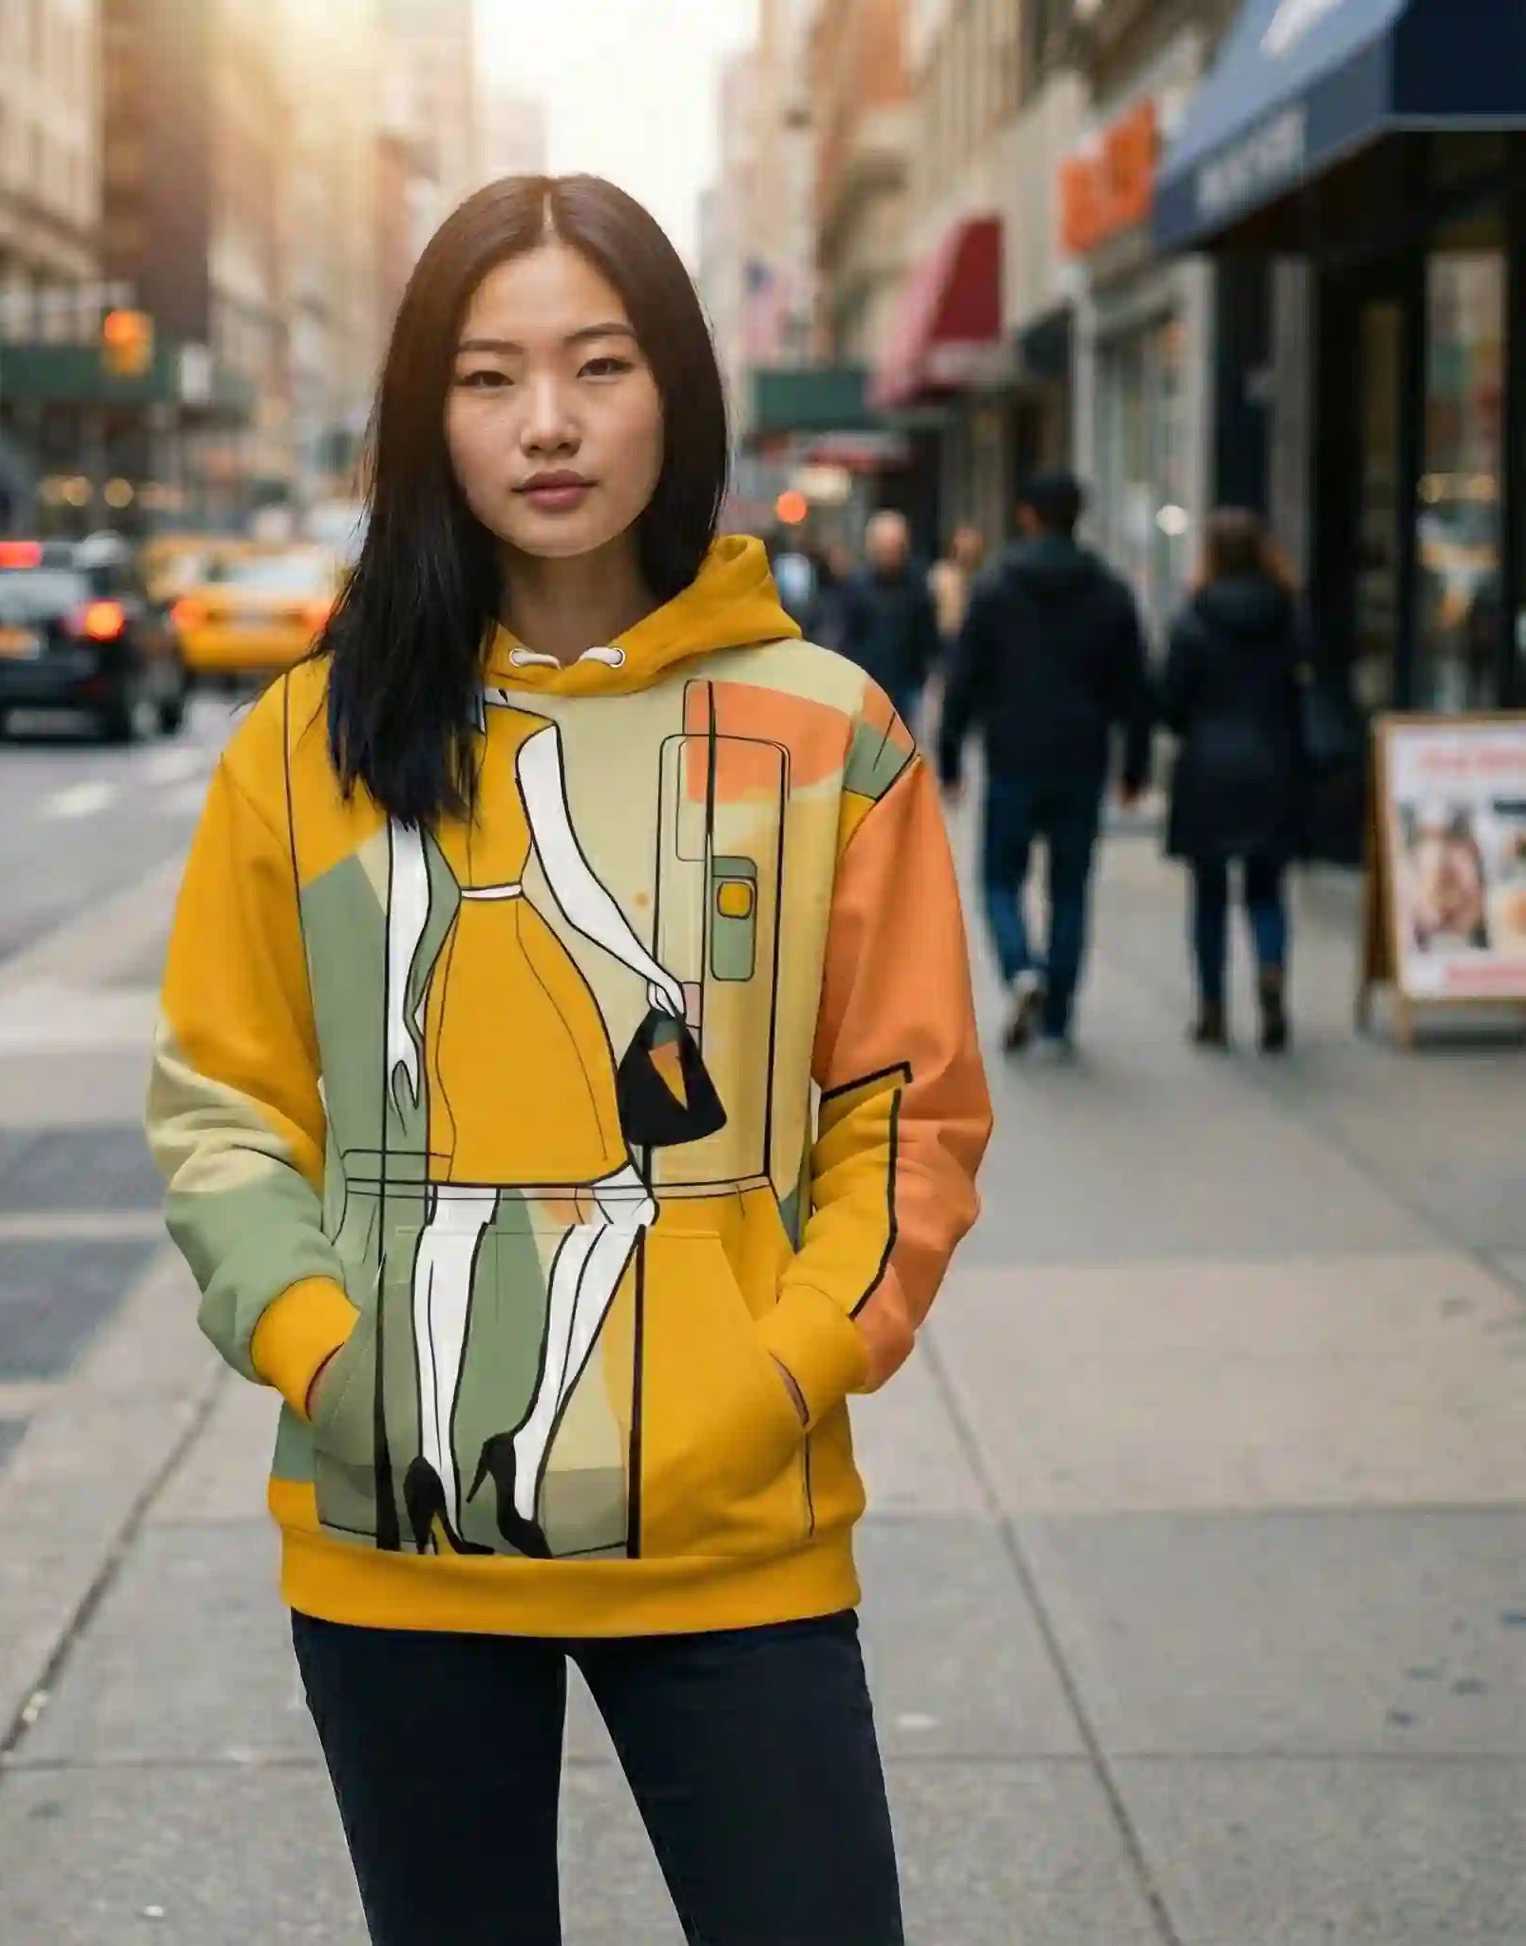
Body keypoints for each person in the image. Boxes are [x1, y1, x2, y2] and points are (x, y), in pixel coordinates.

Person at [150, 173, 991, 1946]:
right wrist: (326, 1355)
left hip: (735, 1528)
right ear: (424, 415)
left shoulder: (825, 725)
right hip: (398, 1532)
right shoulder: (303, 745)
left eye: (597, 365)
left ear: (675, 390)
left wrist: (780, 1373)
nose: (546, 422)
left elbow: (903, 1120)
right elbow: (227, 1110)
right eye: (487, 376)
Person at [938, 470, 1152, 1055]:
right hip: (1082, 759)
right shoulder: (1109, 591)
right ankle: (1058, 1019)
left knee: (999, 879)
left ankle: (1020, 969)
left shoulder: (996, 588)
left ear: (1028, 515)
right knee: (1070, 890)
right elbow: (1134, 687)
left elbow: (964, 678)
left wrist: (951, 755)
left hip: (1011, 754)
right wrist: (1136, 768)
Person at [1161, 508, 1310, 1052]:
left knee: (1209, 895)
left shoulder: (1194, 619)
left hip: (1208, 768)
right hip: (1272, 762)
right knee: (1267, 890)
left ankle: (1213, 1008)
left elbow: (1171, 701)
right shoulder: (1285, 616)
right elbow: (1299, 692)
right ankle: (1270, 974)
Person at [834, 511, 942, 734]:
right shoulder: (857, 586)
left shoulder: (917, 585)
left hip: (906, 683)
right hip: (867, 682)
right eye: (884, 547)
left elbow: (926, 632)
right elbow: (846, 635)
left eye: (895, 547)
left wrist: (925, 673)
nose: (890, 554)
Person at [929, 523, 985, 648]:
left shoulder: (987, 578)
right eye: (962, 544)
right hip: (944, 642)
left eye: (971, 545)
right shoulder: (940, 575)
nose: (966, 550)